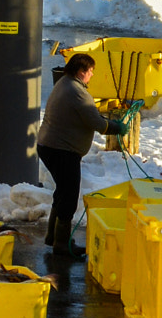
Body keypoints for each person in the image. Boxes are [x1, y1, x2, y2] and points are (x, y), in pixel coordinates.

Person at [37, 52, 125, 255]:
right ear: (81, 71)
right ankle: (61, 245)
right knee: (68, 196)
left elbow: (87, 115)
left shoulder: (64, 83)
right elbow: (95, 123)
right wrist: (116, 128)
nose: (92, 75)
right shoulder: (77, 91)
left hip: (49, 146)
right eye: (91, 71)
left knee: (62, 191)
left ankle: (53, 237)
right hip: (62, 150)